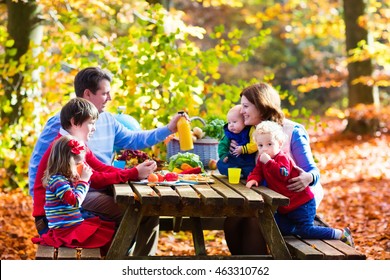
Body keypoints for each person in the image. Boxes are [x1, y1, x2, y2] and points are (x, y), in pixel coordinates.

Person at [29, 67, 182, 255]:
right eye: (105, 93)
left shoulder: (90, 133)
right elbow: (87, 177)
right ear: (87, 94)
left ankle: (135, 262)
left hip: (85, 191)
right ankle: (119, 261)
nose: (109, 98)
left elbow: (107, 161)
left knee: (143, 211)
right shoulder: (65, 136)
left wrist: (169, 128)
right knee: (135, 211)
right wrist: (42, 209)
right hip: (69, 198)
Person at [33, 98, 158, 256]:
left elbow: (99, 167)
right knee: (131, 210)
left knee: (138, 210)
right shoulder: (64, 147)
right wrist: (133, 173)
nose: (94, 128)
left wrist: (133, 171)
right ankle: (116, 259)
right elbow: (94, 178)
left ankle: (126, 258)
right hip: (56, 215)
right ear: (74, 122)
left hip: (70, 201)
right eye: (90, 123)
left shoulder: (76, 143)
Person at [224, 82, 325, 255]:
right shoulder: (250, 133)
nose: (242, 111)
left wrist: (308, 178)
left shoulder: (292, 131)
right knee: (232, 220)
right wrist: (232, 151)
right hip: (268, 198)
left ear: (262, 105)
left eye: (246, 106)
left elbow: (313, 171)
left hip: (295, 205)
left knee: (254, 222)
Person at [246, 121, 354, 246]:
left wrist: (269, 162)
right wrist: (253, 179)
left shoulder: (282, 158)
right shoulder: (262, 159)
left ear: (280, 144)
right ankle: (308, 230)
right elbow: (257, 171)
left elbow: (283, 174)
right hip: (286, 206)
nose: (264, 149)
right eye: (260, 145)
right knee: (279, 228)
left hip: (302, 203)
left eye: (269, 144)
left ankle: (340, 234)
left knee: (305, 230)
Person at [32, 136, 116, 256]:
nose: (78, 167)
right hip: (66, 231)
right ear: (67, 162)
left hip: (71, 224)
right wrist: (84, 181)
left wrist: (80, 181)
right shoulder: (57, 181)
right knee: (105, 237)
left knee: (106, 229)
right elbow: (76, 201)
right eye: (77, 164)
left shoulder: (62, 179)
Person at [217, 105, 257, 178]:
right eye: (229, 123)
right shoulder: (228, 134)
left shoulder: (250, 130)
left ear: (244, 121)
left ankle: (242, 173)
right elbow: (222, 145)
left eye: (234, 122)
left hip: (246, 161)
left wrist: (243, 149)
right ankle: (235, 172)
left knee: (251, 170)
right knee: (220, 164)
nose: (231, 125)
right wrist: (224, 155)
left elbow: (255, 144)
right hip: (233, 160)